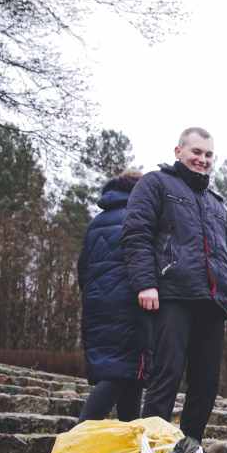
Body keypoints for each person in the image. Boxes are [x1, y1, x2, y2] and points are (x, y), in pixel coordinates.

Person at [121, 127, 227, 443]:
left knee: (206, 383)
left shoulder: (217, 203)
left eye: (208, 155)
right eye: (196, 153)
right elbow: (137, 234)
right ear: (179, 152)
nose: (202, 160)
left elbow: (226, 256)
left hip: (213, 301)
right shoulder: (156, 183)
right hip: (171, 295)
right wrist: (145, 283)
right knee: (168, 374)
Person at [76, 169, 151, 423]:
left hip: (97, 304)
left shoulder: (98, 220)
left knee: (130, 377)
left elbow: (83, 268)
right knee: (120, 373)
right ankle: (75, 447)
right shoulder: (140, 218)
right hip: (129, 306)